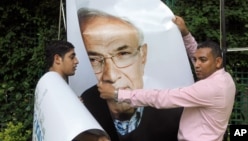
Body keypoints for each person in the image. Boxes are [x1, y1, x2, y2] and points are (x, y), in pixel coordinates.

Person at [78, 7, 198, 141]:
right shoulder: (84, 106)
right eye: (94, 59)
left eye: (123, 54)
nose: (110, 76)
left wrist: (185, 34)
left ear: (143, 55)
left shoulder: (173, 110)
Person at [99, 40, 236, 141]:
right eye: (195, 60)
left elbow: (163, 97)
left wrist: (117, 94)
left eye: (202, 60)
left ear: (218, 62)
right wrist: (186, 35)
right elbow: (203, 53)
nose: (197, 65)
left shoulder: (209, 88)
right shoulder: (225, 78)